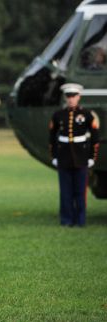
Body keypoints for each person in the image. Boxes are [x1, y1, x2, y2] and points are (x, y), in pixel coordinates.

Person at [49, 83, 100, 227]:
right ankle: (66, 220)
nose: (71, 99)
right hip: (64, 158)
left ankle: (80, 220)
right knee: (65, 192)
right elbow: (52, 137)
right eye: (68, 96)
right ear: (65, 98)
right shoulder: (58, 115)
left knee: (80, 192)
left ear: (79, 97)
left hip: (81, 158)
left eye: (73, 96)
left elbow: (95, 138)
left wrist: (91, 157)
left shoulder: (87, 115)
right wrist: (54, 156)